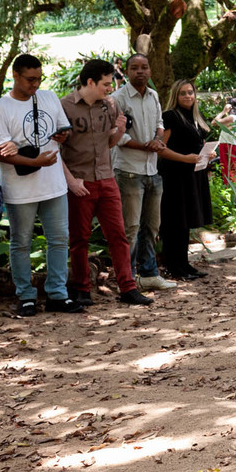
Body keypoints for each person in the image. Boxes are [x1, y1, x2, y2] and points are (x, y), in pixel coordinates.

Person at [0, 54, 85, 316]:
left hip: (53, 183)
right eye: (30, 79)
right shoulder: (1, 108)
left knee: (58, 240)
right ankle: (26, 296)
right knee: (20, 242)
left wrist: (63, 134)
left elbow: (63, 130)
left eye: (39, 79)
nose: (35, 84)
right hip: (20, 187)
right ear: (16, 76)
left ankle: (57, 294)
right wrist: (35, 162)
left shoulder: (49, 96)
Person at [59, 59, 153, 307]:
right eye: (105, 83)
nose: (110, 88)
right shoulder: (64, 106)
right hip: (80, 182)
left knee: (119, 236)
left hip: (106, 179)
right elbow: (55, 149)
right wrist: (70, 181)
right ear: (90, 82)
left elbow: (109, 143)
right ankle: (81, 289)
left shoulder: (110, 105)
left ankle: (128, 288)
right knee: (79, 239)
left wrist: (119, 131)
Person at [109, 54, 175, 293]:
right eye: (134, 68)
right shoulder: (117, 99)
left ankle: (149, 274)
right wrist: (145, 145)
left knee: (152, 226)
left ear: (149, 71)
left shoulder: (154, 96)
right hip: (129, 171)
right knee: (131, 227)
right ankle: (126, 280)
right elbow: (118, 137)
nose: (140, 71)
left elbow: (159, 122)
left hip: (152, 170)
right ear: (126, 71)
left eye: (144, 67)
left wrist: (157, 140)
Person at [157, 80, 216, 280]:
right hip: (174, 176)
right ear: (176, 95)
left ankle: (184, 264)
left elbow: (197, 144)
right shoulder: (170, 116)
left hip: (193, 175)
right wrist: (185, 158)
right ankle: (173, 266)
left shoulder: (195, 117)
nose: (188, 96)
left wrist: (208, 153)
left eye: (190, 92)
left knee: (185, 222)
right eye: (183, 93)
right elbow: (161, 148)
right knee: (174, 222)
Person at [215, 97, 236, 183]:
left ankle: (229, 186)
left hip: (227, 144)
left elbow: (214, 122)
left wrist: (224, 111)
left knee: (227, 167)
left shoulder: (231, 118)